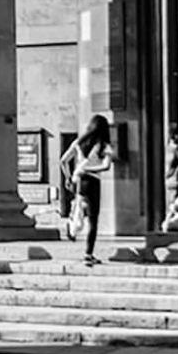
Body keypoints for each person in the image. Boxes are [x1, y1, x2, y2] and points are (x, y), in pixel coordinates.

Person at [60, 114, 113, 266]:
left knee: (79, 206)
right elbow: (106, 165)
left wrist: (68, 177)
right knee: (93, 219)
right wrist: (89, 168)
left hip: (79, 181)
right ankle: (88, 253)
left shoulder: (79, 142)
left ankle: (72, 226)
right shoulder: (104, 145)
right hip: (92, 181)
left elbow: (63, 161)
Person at [163, 125, 178, 230]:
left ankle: (167, 223)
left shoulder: (168, 147)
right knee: (173, 204)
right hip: (174, 179)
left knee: (170, 203)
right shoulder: (175, 148)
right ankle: (167, 224)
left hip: (169, 179)